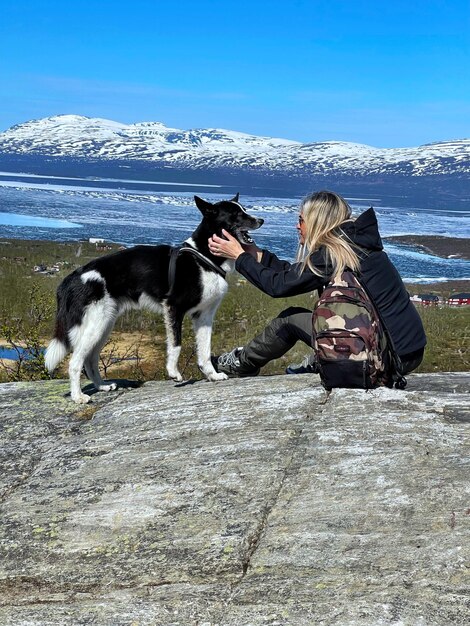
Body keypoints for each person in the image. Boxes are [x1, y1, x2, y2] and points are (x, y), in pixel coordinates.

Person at [208, 190, 426, 378]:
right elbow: (294, 274)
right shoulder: (353, 245)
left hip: (388, 357)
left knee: (289, 320)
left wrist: (239, 257)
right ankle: (328, 359)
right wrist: (256, 255)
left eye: (301, 220)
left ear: (316, 222)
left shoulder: (335, 255)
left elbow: (278, 286)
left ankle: (240, 364)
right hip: (407, 350)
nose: (297, 226)